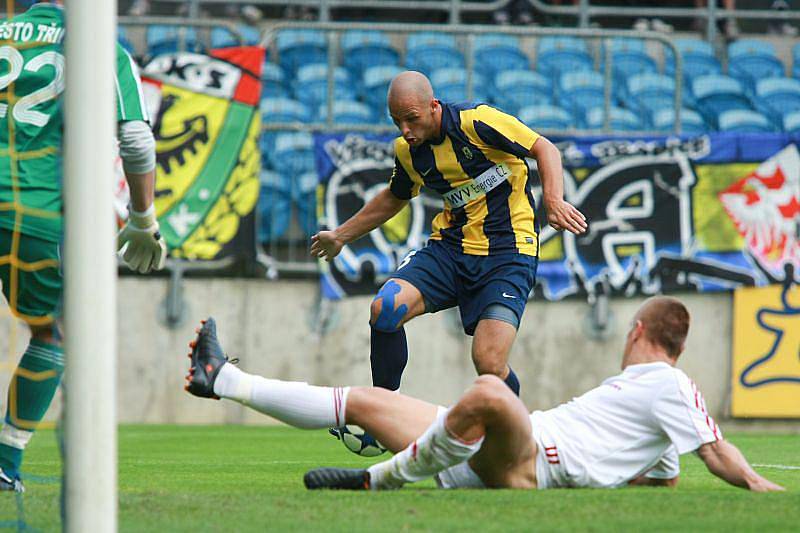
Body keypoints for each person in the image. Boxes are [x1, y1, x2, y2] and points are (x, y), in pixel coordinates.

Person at [183, 296, 784, 493]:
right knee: (364, 400)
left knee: (492, 391)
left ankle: (377, 481)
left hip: (531, 457)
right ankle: (226, 380)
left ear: (637, 331)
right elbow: (663, 480)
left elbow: (715, 450)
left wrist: (757, 486)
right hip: (490, 457)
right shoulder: (641, 397)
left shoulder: (670, 384)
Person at [311, 71, 587, 400]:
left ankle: (518, 433)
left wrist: (554, 201)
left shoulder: (477, 121)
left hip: (508, 253)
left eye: (411, 119)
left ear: (434, 107)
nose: (405, 131)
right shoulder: (408, 151)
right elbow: (396, 195)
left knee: (489, 361)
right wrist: (341, 235)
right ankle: (383, 410)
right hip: (450, 251)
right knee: (385, 307)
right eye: (397, 121)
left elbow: (545, 148)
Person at [0, 1, 166, 492]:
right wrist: (142, 217)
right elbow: (135, 139)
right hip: (31, 207)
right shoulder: (96, 45)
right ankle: (6, 462)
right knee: (55, 333)